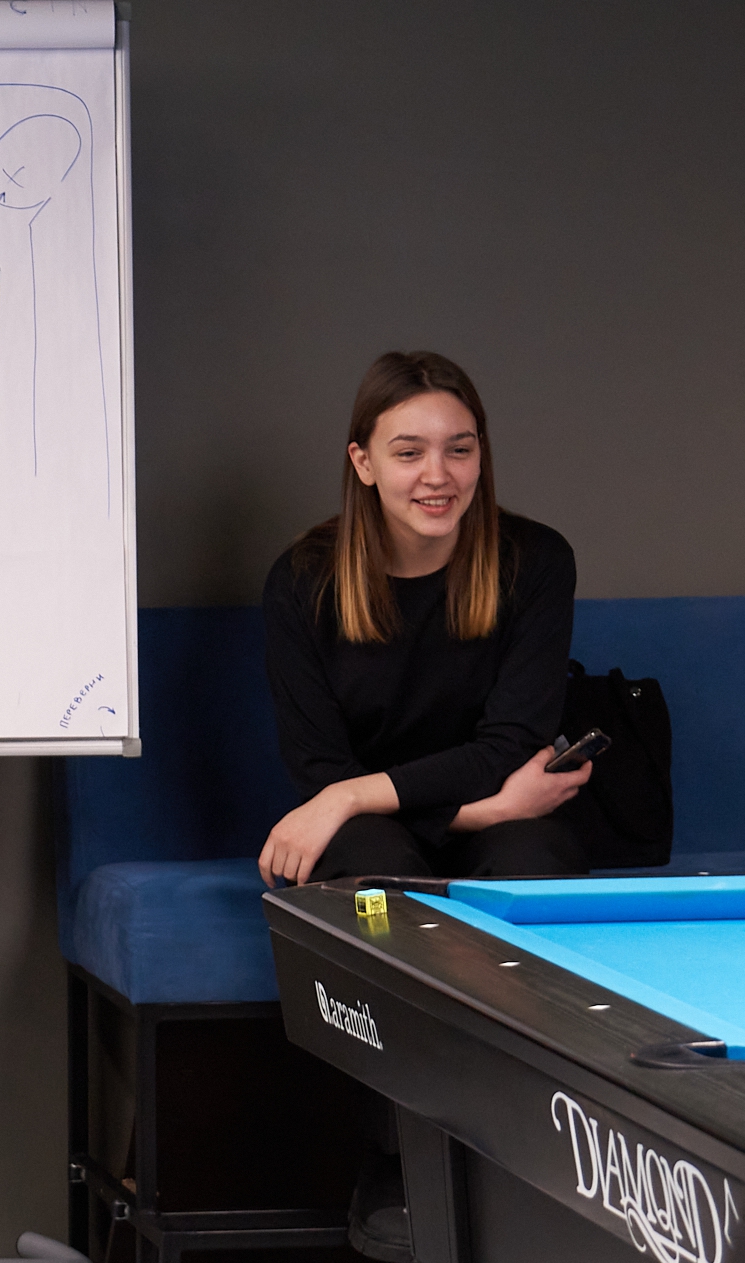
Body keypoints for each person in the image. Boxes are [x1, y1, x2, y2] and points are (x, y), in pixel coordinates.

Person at [259, 349, 591, 1261]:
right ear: (363, 461)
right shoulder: (303, 581)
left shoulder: (535, 561)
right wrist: (465, 808)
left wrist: (359, 796)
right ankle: (398, 1155)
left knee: (536, 862)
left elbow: (505, 745)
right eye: (408, 451)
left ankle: (533, 1155)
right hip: (379, 837)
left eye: (460, 448)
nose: (437, 475)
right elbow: (319, 766)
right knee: (380, 882)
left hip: (482, 817)